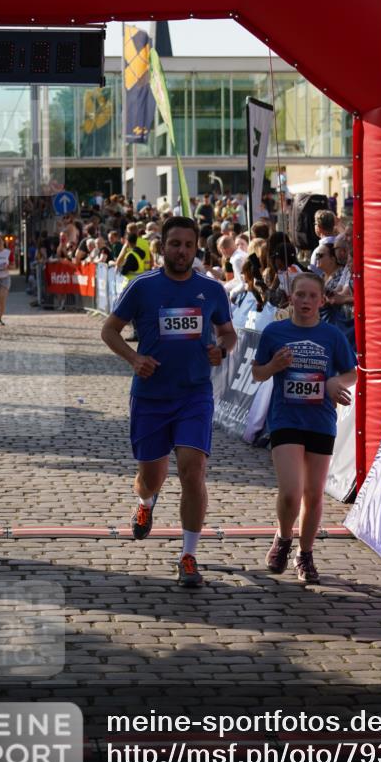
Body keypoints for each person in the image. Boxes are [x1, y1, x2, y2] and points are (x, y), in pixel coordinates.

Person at [101, 217, 237, 588]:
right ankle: (146, 504)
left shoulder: (211, 290)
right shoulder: (143, 287)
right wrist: (133, 359)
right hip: (151, 396)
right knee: (152, 477)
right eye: (175, 244)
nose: (182, 251)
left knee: (193, 471)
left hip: (194, 394)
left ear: (197, 249)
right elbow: (108, 329)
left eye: (188, 245)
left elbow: (228, 334)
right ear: (163, 246)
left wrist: (220, 350)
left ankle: (188, 556)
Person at [252, 272, 356, 583]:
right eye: (301, 295)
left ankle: (305, 553)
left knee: (313, 494)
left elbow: (351, 372)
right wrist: (274, 367)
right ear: (291, 298)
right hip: (286, 419)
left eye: (313, 296)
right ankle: (284, 538)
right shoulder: (275, 332)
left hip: (321, 421)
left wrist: (335, 381)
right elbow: (257, 373)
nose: (306, 301)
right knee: (291, 492)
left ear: (322, 301)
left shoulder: (332, 336)